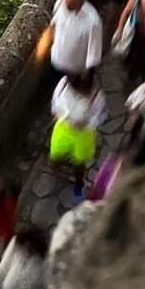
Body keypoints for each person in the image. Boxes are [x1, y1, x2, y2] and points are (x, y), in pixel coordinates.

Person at [50, 69, 108, 200]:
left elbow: (100, 116)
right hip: (64, 127)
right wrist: (59, 114)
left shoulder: (97, 97)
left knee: (80, 162)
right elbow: (55, 103)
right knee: (55, 152)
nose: (80, 93)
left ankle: (79, 185)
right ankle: (55, 169)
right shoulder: (63, 85)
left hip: (84, 133)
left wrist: (88, 123)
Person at [50, 0, 103, 77]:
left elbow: (94, 55)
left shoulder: (93, 22)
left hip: (74, 70)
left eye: (70, 7)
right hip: (55, 60)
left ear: (80, 5)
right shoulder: (62, 0)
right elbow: (54, 22)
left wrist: (86, 76)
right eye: (66, 3)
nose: (65, 7)